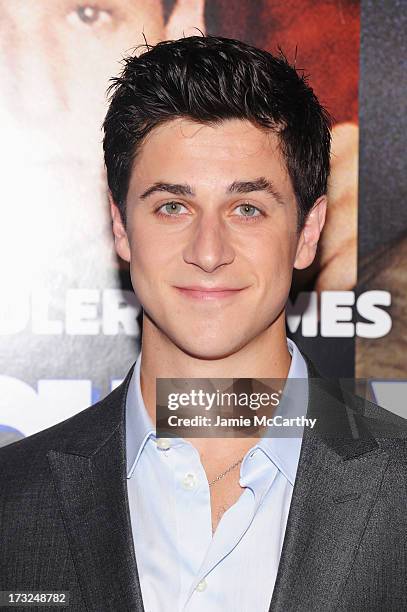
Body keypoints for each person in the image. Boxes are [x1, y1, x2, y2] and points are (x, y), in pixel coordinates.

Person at [1, 36, 406, 611]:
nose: (208, 251)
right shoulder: (10, 502)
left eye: (247, 208)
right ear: (120, 225)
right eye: (173, 206)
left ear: (309, 232)